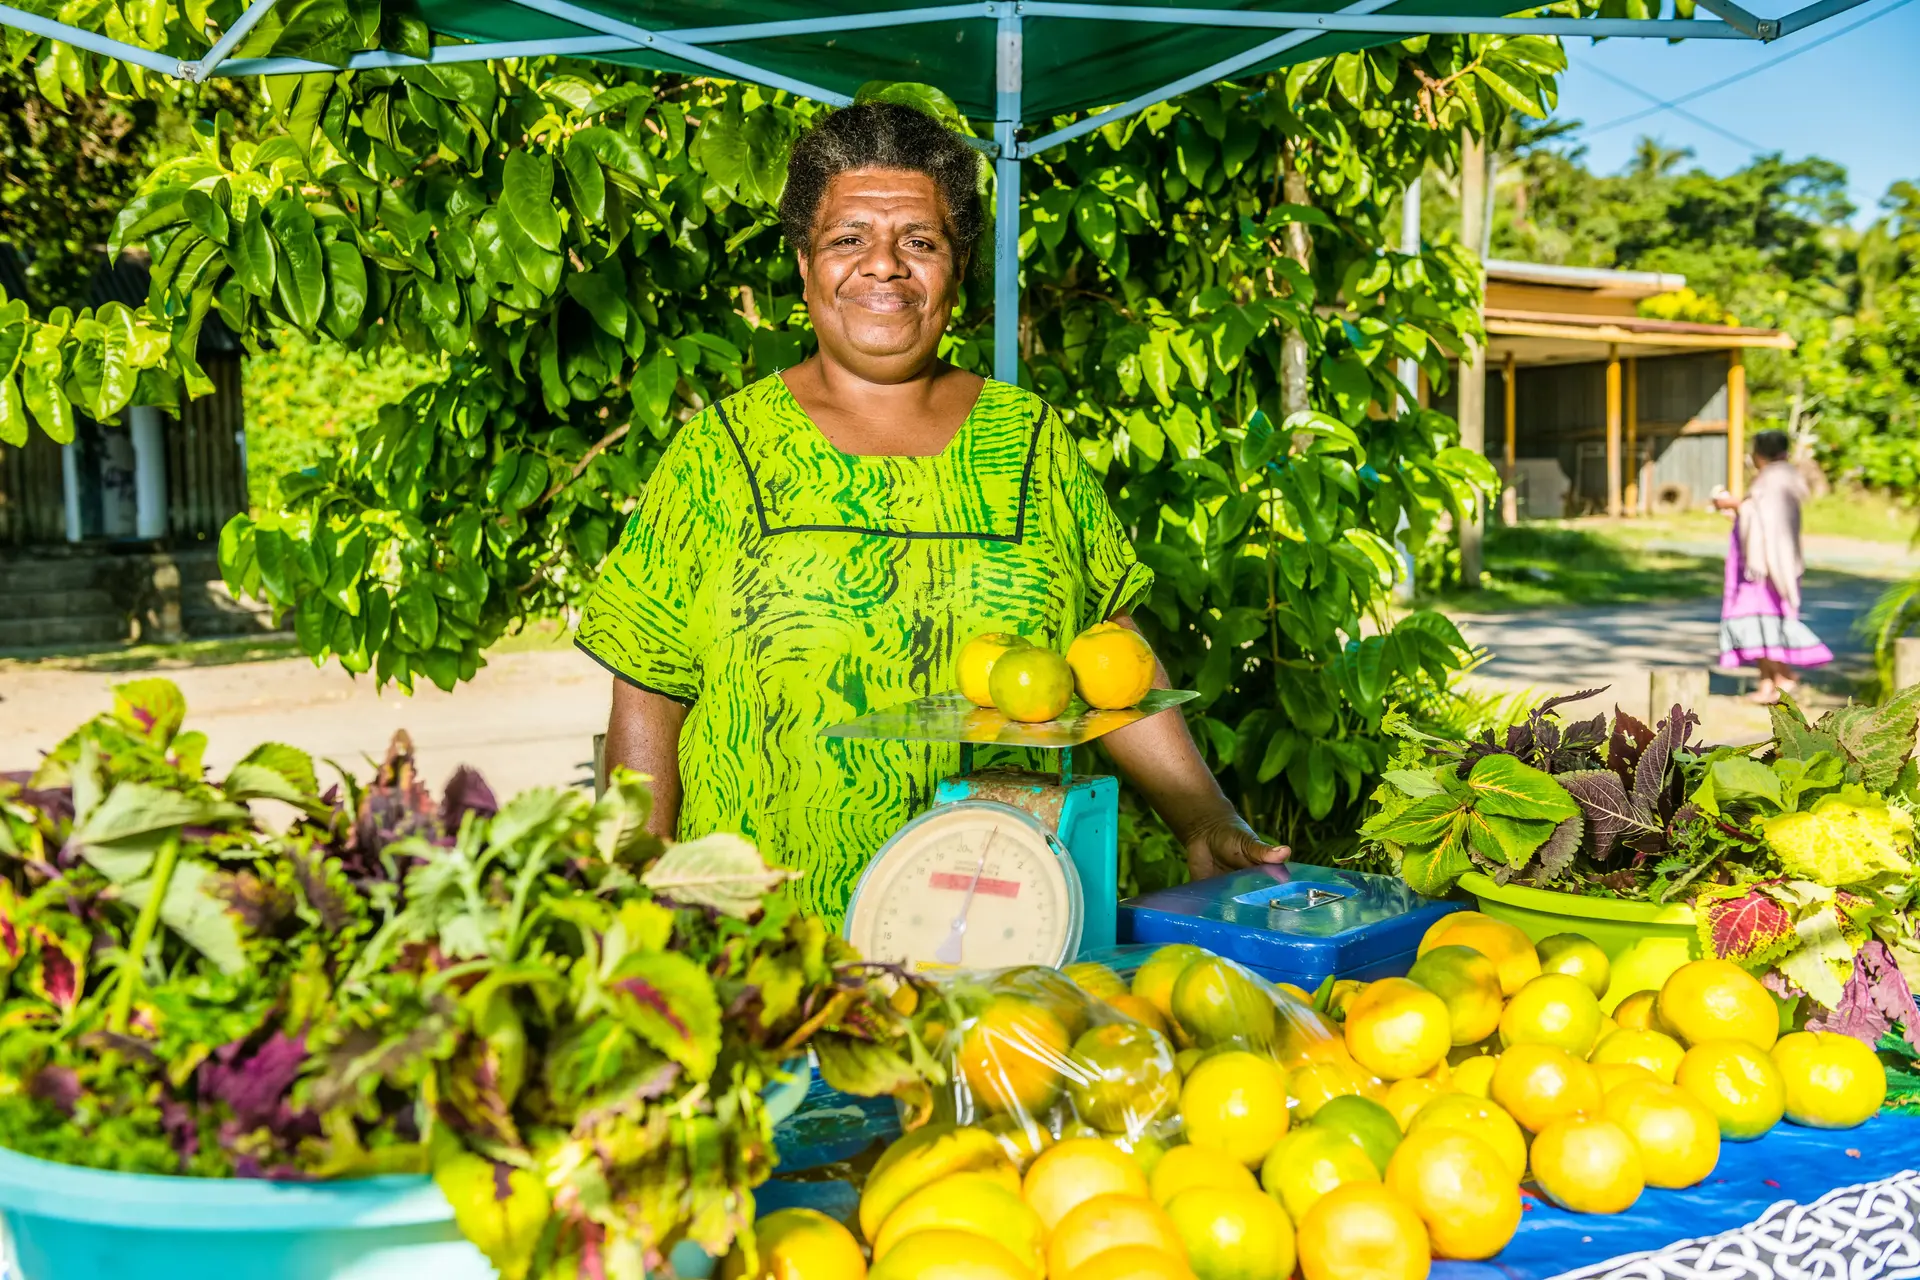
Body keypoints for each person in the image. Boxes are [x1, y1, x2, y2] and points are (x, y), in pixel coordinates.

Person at [575, 102, 1285, 926]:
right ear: (804, 263)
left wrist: (1206, 820)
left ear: (957, 268)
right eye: (848, 239)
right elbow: (647, 699)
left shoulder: (1029, 440)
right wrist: (633, 905)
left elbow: (1109, 660)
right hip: (763, 952)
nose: (885, 267)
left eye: (920, 241)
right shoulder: (718, 453)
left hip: (1007, 936)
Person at [1712, 429, 1832, 704]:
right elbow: (1760, 514)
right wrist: (1742, 508)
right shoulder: (1779, 477)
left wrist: (1735, 504)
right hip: (1762, 561)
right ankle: (1767, 683)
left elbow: (1763, 517)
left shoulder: (1774, 479)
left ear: (1758, 453)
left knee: (1763, 619)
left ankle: (1784, 678)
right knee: (1757, 622)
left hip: (1765, 565)